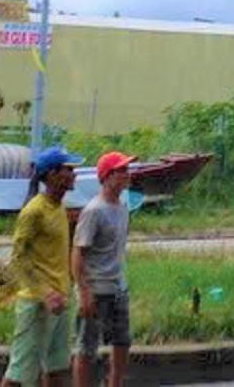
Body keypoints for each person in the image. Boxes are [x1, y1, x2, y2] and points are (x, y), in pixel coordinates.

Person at [2, 145, 84, 387]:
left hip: (60, 300)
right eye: (69, 169)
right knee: (21, 373)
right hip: (38, 303)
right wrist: (44, 293)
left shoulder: (59, 207)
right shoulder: (33, 211)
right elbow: (18, 258)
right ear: (52, 175)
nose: (74, 174)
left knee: (57, 368)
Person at [72, 150, 137, 387]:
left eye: (126, 171)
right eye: (121, 171)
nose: (126, 175)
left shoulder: (123, 207)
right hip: (97, 287)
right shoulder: (93, 211)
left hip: (118, 286)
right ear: (107, 176)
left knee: (122, 342)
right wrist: (84, 291)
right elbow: (78, 252)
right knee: (86, 347)